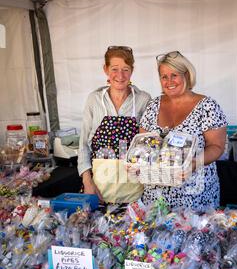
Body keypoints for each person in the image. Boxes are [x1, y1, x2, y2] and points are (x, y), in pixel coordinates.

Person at [139, 50, 227, 211]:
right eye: (164, 76)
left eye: (174, 75)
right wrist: (137, 162)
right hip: (156, 199)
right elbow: (143, 146)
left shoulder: (207, 106)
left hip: (196, 198)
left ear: (186, 75)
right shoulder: (153, 106)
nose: (169, 81)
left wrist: (194, 163)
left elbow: (217, 147)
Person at [78, 46, 151, 201]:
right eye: (114, 69)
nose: (120, 75)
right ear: (105, 69)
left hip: (135, 190)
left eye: (125, 69)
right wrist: (87, 181)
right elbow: (83, 143)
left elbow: (149, 145)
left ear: (132, 70)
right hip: (99, 190)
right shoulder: (94, 99)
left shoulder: (143, 99)